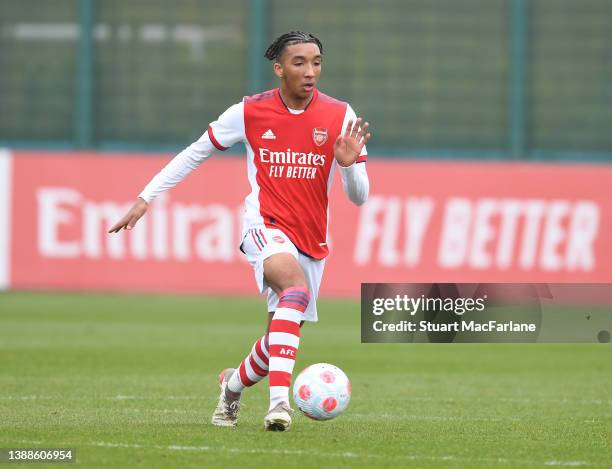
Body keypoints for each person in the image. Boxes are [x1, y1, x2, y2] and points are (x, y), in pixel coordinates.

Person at [108, 31, 371, 431]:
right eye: (299, 62)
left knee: (275, 345)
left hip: (312, 238)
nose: (310, 71)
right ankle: (279, 406)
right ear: (279, 68)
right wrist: (147, 197)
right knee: (295, 292)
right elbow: (197, 151)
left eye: (316, 62)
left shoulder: (341, 114)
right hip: (264, 227)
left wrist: (349, 166)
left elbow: (359, 197)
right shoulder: (249, 112)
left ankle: (231, 387)